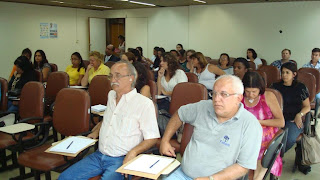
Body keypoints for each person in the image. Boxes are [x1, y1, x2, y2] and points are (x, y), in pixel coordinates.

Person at [59, 61, 160, 180]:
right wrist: (96, 132)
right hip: (99, 155)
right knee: (64, 177)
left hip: (122, 158)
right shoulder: (111, 95)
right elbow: (110, 119)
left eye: (118, 75)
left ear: (131, 78)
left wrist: (133, 152)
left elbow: (152, 137)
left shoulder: (143, 103)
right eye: (111, 76)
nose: (112, 80)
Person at [160, 75, 263, 180]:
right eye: (214, 93)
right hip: (182, 174)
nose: (216, 99)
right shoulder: (203, 107)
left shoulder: (250, 125)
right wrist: (165, 140)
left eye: (224, 94)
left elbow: (243, 166)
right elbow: (180, 114)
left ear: (238, 98)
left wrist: (212, 178)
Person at [241, 72, 285, 180]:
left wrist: (258, 122)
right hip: (244, 139)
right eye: (247, 91)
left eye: (254, 92)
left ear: (260, 89)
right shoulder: (239, 97)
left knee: (257, 177)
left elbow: (281, 122)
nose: (250, 94)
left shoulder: (268, 96)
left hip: (264, 142)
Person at [271, 62, 311, 174]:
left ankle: (274, 157)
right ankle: (273, 157)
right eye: (282, 72)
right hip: (277, 118)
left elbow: (307, 106)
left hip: (293, 120)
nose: (284, 75)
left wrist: (300, 115)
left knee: (287, 139)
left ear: (294, 74)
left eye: (287, 72)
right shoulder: (275, 86)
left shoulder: (300, 87)